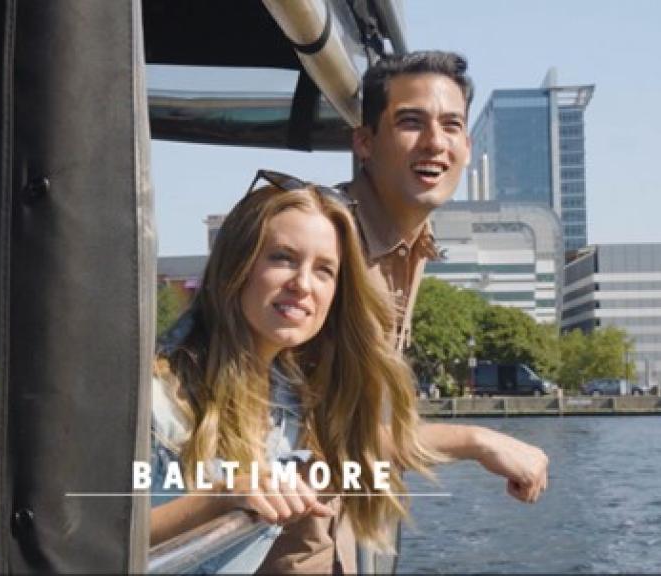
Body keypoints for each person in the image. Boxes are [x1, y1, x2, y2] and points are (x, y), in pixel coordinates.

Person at [257, 51, 549, 573]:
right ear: (365, 143)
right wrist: (477, 440)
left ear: (466, 146)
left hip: (333, 541)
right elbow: (321, 435)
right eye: (411, 122)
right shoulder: (325, 243)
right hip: (270, 549)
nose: (435, 142)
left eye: (451, 125)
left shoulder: (409, 246)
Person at [150, 174, 442, 572]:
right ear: (238, 265)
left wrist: (480, 443)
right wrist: (220, 500)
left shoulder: (286, 392)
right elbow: (85, 536)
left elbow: (360, 444)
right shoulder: (157, 397)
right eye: (282, 257)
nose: (303, 284)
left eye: (324, 270)